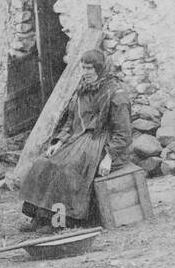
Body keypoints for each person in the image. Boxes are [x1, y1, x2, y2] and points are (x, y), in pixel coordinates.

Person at [19, 49, 132, 233]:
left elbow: (124, 133)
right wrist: (59, 143)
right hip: (78, 139)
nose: (86, 72)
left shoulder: (116, 94)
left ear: (100, 68)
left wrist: (109, 157)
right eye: (84, 68)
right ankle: (38, 216)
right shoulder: (83, 90)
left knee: (67, 169)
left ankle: (58, 221)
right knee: (43, 163)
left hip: (101, 143)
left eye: (90, 68)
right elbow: (72, 122)